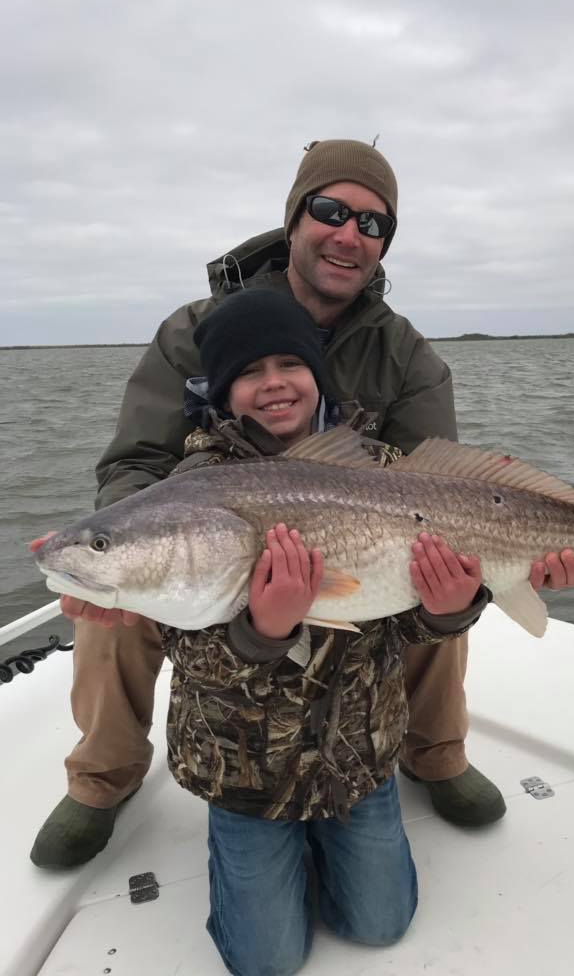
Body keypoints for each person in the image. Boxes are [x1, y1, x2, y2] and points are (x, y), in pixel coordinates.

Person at [31, 139, 574, 870]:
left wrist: (496, 561)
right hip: (216, 534)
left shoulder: (406, 355)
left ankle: (437, 753)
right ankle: (102, 778)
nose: (349, 234)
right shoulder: (196, 329)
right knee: (114, 598)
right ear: (295, 218)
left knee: (438, 572)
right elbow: (137, 459)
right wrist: (136, 535)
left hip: (359, 541)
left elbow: (444, 490)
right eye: (331, 211)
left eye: (374, 224)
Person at [166, 287, 493, 974]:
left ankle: (320, 845)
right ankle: (265, 858)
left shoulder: (381, 474)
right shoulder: (192, 494)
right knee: (267, 964)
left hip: (357, 759)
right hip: (245, 775)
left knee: (381, 927)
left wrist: (449, 606)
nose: (273, 383)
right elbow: (188, 655)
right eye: (249, 372)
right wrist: (264, 628)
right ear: (223, 392)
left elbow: (404, 622)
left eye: (291, 363)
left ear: (318, 375)